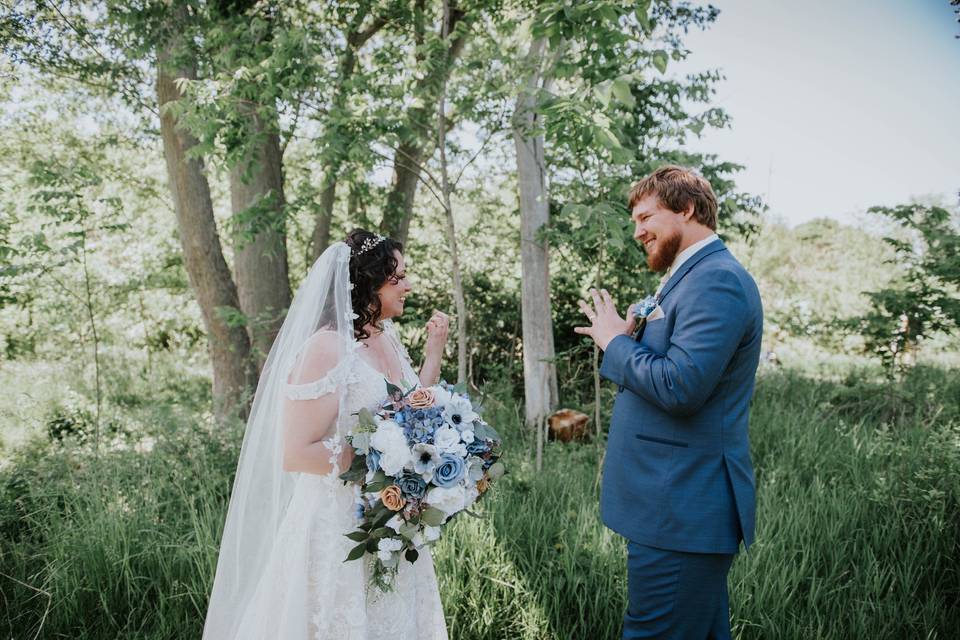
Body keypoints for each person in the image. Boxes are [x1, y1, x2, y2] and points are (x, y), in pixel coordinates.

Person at [203, 229, 451, 639]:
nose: (408, 285)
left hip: (391, 519)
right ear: (370, 283)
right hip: (339, 526)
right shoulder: (327, 348)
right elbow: (297, 453)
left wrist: (434, 354)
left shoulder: (384, 336)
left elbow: (410, 408)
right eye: (398, 278)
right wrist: (382, 465)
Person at [575, 166, 763, 639]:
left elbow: (681, 386)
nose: (637, 231)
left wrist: (614, 343)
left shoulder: (715, 280)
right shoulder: (690, 276)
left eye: (646, 217)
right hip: (669, 503)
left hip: (681, 506)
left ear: (687, 208)